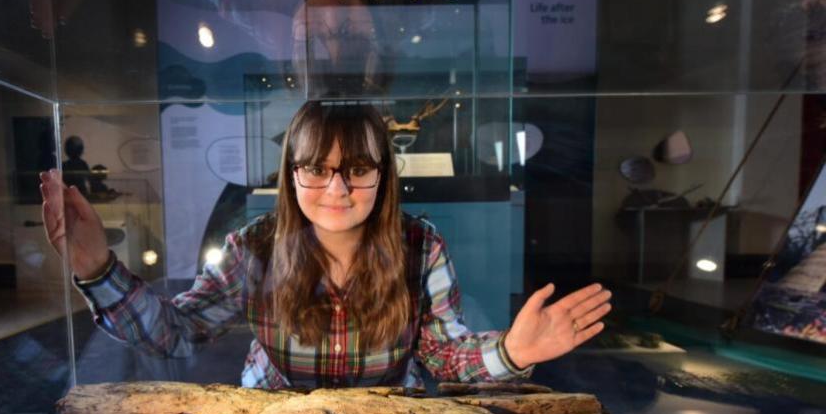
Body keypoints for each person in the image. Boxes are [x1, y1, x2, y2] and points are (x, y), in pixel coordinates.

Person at [40, 102, 612, 389]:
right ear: (290, 175)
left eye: (357, 169)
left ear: (384, 175)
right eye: (316, 169)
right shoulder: (254, 248)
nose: (337, 189)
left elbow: (445, 353)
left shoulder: (420, 246)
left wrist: (514, 350)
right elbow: (176, 332)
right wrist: (96, 269)